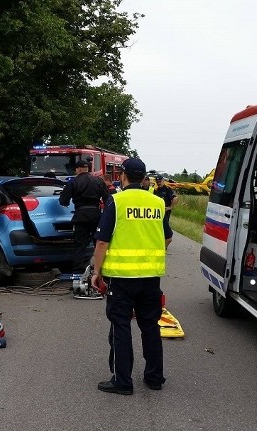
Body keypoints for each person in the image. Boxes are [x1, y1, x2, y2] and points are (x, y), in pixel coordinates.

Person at [90, 157, 172, 395]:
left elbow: (102, 241)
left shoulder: (116, 201)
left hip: (122, 278)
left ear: (123, 176)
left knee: (121, 326)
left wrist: (97, 272)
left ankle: (123, 381)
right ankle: (154, 378)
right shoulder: (157, 202)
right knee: (150, 327)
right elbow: (167, 236)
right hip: (150, 277)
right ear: (144, 178)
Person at [59, 159, 111, 276]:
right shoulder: (99, 181)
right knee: (99, 243)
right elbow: (108, 199)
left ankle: (78, 272)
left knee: (80, 245)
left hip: (80, 217)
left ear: (78, 169)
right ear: (87, 169)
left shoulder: (73, 182)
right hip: (96, 217)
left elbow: (63, 201)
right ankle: (102, 270)